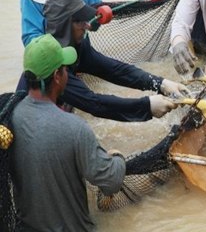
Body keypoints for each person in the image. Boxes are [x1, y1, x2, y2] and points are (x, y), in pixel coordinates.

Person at [10, 34, 126, 231]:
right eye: (65, 69)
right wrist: (117, 158)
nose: (68, 74)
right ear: (57, 76)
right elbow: (111, 181)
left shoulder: (9, 118)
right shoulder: (75, 128)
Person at [41, 0, 187, 121]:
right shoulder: (54, 66)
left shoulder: (79, 45)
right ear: (64, 27)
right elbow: (94, 103)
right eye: (80, 21)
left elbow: (114, 70)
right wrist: (147, 106)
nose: (87, 25)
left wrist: (160, 83)